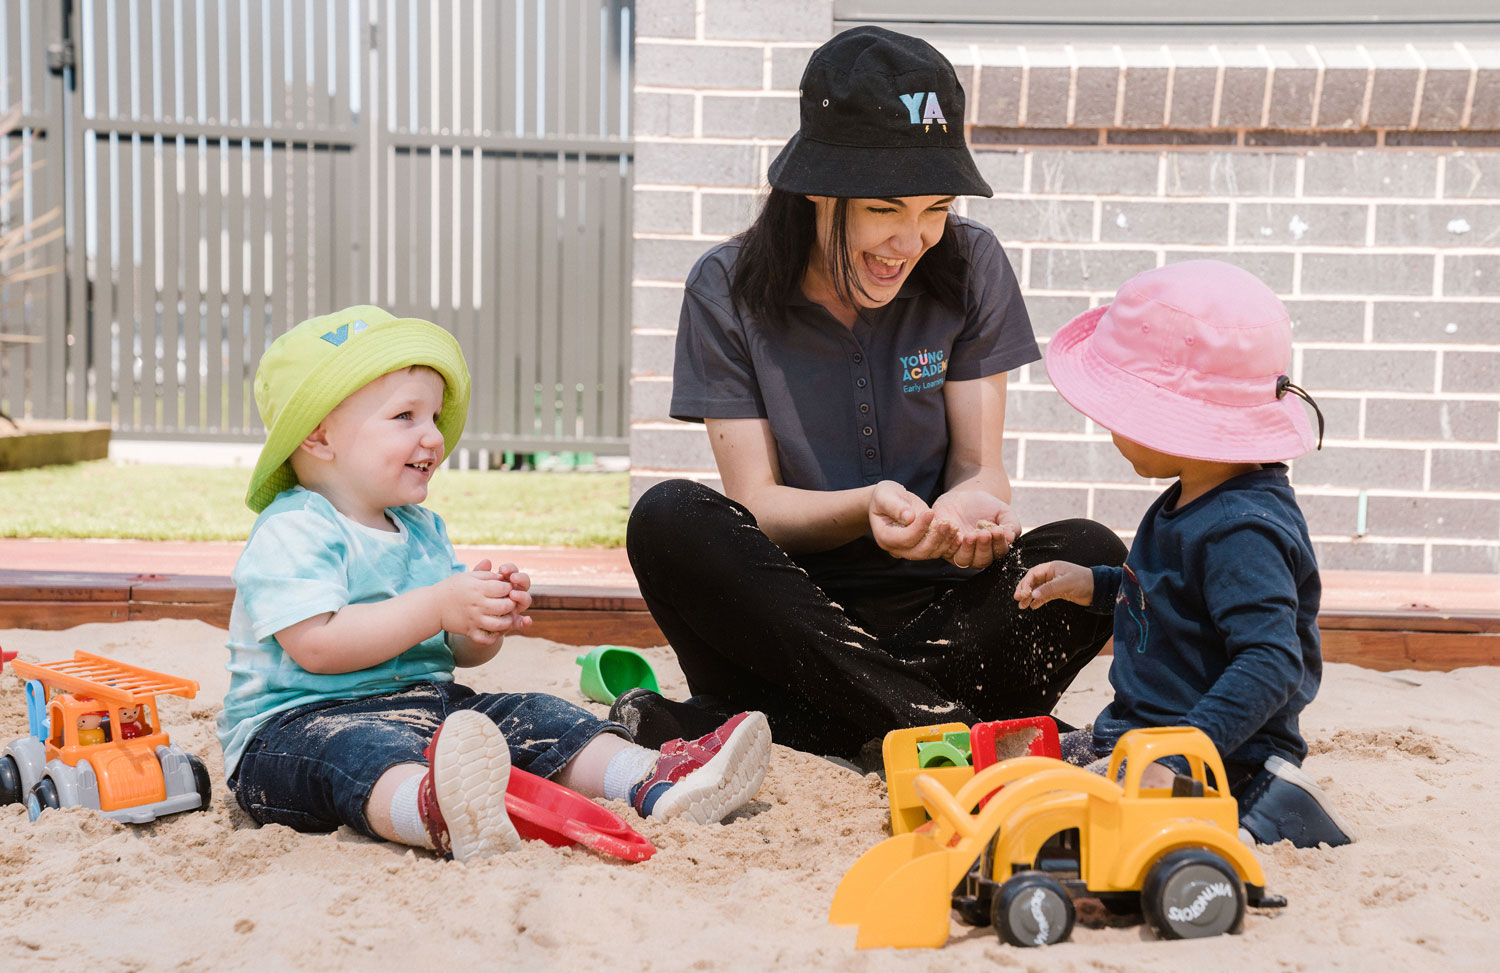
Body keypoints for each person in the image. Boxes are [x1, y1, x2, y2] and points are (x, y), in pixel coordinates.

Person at [616, 26, 1126, 762]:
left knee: (1085, 550)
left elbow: (980, 467)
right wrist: (863, 508)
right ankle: (939, 729)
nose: (911, 241)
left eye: (936, 207)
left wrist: (961, 511)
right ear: (818, 189)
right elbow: (758, 504)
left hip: (937, 613)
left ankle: (802, 724)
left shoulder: (972, 263)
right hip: (790, 617)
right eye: (886, 209)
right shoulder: (723, 287)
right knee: (668, 516)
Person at [216, 306, 772, 863]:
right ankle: (431, 809)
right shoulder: (295, 528)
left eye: (434, 416)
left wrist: (479, 626)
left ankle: (655, 779)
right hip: (297, 727)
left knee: (532, 713)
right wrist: (437, 605)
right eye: (405, 416)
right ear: (318, 437)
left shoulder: (421, 529)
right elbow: (317, 645)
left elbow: (452, 653)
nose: (433, 436)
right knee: (360, 752)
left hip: (427, 707)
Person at [1012, 260, 1354, 849]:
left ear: (1168, 415)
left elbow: (1271, 661)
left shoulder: (1243, 531)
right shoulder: (1192, 499)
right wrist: (1090, 583)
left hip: (1216, 755)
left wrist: (1178, 756)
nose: (1107, 429)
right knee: (1017, 769)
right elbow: (1171, 594)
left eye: (1117, 413)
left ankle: (1270, 801)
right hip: (1135, 733)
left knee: (1047, 826)